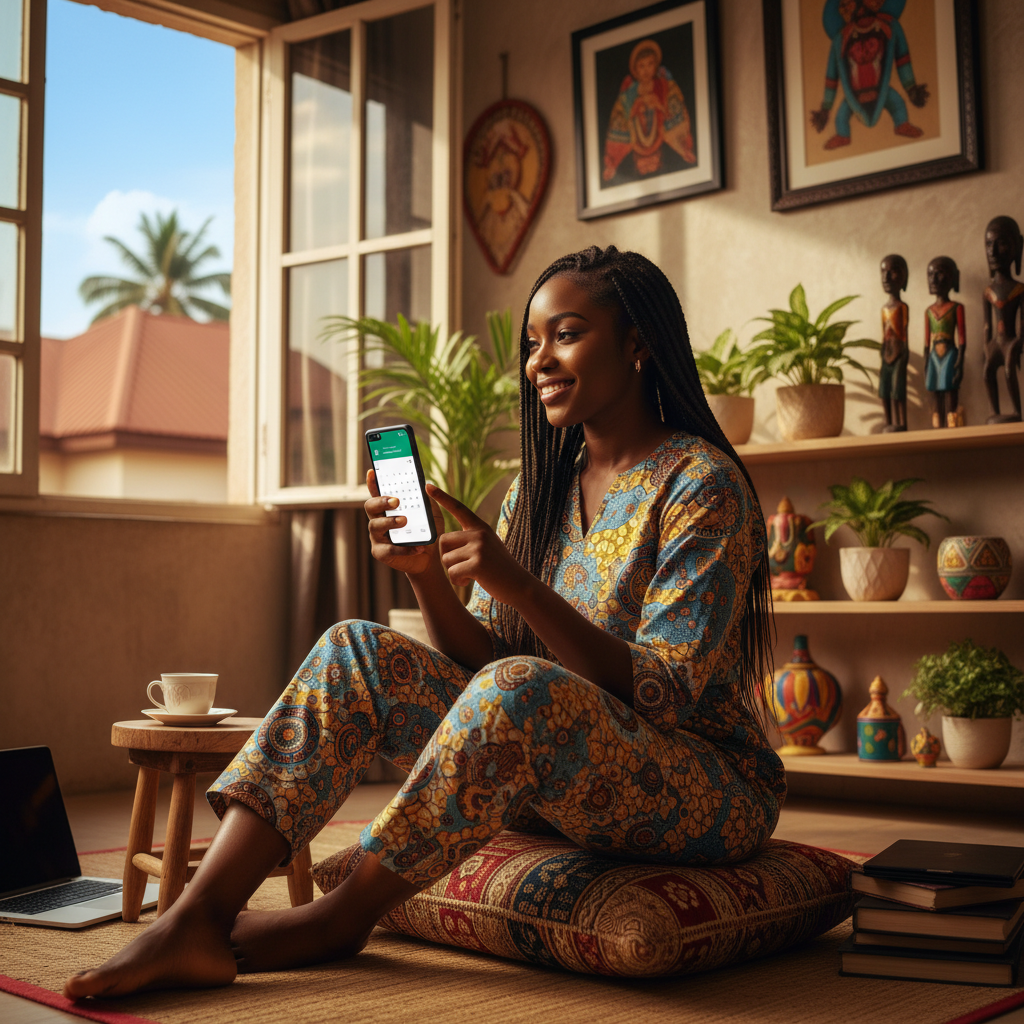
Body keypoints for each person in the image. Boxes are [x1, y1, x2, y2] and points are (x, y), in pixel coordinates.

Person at [64, 245, 785, 1000]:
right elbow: (482, 664)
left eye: (565, 334)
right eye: (532, 343)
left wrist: (521, 587)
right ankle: (198, 916)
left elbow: (664, 694)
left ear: (639, 344)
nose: (540, 360)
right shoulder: (537, 493)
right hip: (556, 774)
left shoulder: (703, 484)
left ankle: (341, 916)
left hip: (703, 784)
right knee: (354, 647)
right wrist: (427, 577)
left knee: (519, 687)